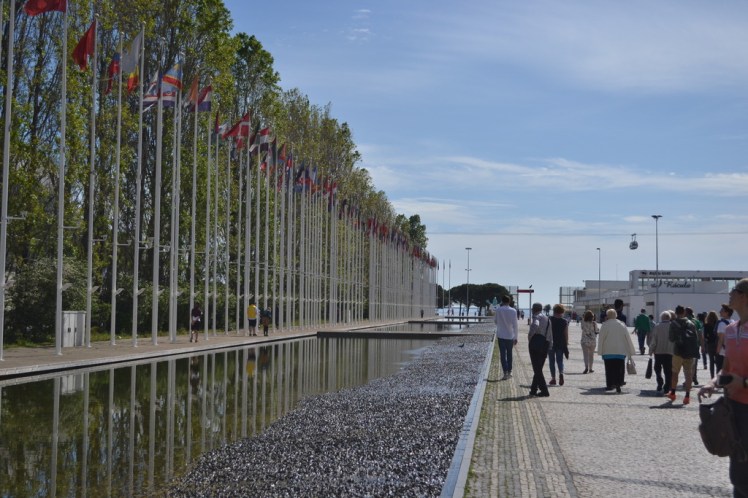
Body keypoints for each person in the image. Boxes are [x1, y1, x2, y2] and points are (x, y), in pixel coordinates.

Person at [698, 278, 748, 496]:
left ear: (745, 296)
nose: (729, 294)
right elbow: (726, 368)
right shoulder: (730, 329)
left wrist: (744, 382)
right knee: (738, 471)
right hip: (733, 409)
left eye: (734, 291)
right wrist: (713, 382)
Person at [666, 305, 700, 404]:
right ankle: (687, 396)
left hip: (678, 351)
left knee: (675, 373)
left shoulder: (673, 323)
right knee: (688, 374)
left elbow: (671, 339)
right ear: (684, 312)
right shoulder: (691, 323)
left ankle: (672, 393)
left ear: (676, 313)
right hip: (689, 352)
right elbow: (696, 338)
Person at [598, 308, 636, 393]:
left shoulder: (605, 325)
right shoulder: (621, 324)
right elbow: (627, 338)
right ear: (616, 315)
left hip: (608, 351)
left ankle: (610, 385)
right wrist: (630, 350)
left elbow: (601, 339)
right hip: (620, 351)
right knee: (619, 369)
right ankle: (618, 384)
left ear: (607, 316)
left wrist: (600, 350)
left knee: (609, 369)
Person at [528, 302, 553, 397]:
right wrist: (550, 346)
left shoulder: (536, 316)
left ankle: (544, 390)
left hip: (535, 345)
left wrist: (530, 336)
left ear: (533, 309)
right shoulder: (547, 318)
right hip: (545, 345)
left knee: (537, 369)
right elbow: (550, 334)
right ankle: (533, 390)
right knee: (538, 368)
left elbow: (535, 325)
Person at [649, 310, 675, 394]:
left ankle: (659, 381)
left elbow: (654, 340)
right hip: (669, 352)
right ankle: (667, 386)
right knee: (668, 370)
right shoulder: (672, 326)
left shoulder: (657, 326)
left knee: (657, 368)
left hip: (658, 352)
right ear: (669, 318)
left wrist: (651, 350)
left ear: (661, 317)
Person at [493, 294, 518, 380]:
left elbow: (495, 321)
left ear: (502, 301)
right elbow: (515, 325)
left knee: (503, 355)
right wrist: (516, 337)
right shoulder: (513, 311)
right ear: (509, 301)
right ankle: (510, 371)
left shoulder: (498, 310)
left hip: (501, 335)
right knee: (510, 354)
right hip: (510, 336)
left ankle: (505, 372)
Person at [548, 304, 569, 386]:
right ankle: (561, 373)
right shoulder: (564, 321)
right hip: (560, 343)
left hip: (551, 343)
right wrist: (566, 343)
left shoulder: (549, 319)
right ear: (562, 311)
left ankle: (553, 379)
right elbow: (566, 334)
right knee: (560, 360)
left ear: (554, 310)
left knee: (551, 361)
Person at [715, 303, 735, 374]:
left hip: (723, 351)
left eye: (722, 310)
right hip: (732, 350)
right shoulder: (733, 322)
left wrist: (717, 352)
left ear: (727, 313)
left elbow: (721, 339)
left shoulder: (722, 324)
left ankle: (720, 384)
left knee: (720, 370)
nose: (720, 312)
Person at [686, 306, 704, 385]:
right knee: (694, 363)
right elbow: (700, 334)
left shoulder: (685, 321)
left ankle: (688, 379)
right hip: (696, 345)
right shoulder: (697, 321)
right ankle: (694, 378)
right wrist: (702, 345)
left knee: (687, 363)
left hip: (686, 344)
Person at [703, 310, 720, 379]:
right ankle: (717, 376)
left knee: (711, 361)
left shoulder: (706, 325)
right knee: (718, 361)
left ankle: (712, 377)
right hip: (717, 343)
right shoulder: (718, 324)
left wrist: (707, 340)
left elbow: (705, 335)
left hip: (710, 344)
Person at [580, 310, 598, 374]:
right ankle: (590, 368)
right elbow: (597, 331)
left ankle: (586, 367)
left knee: (585, 355)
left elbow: (582, 328)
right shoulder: (594, 323)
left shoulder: (583, 322)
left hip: (584, 341)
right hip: (592, 341)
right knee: (591, 355)